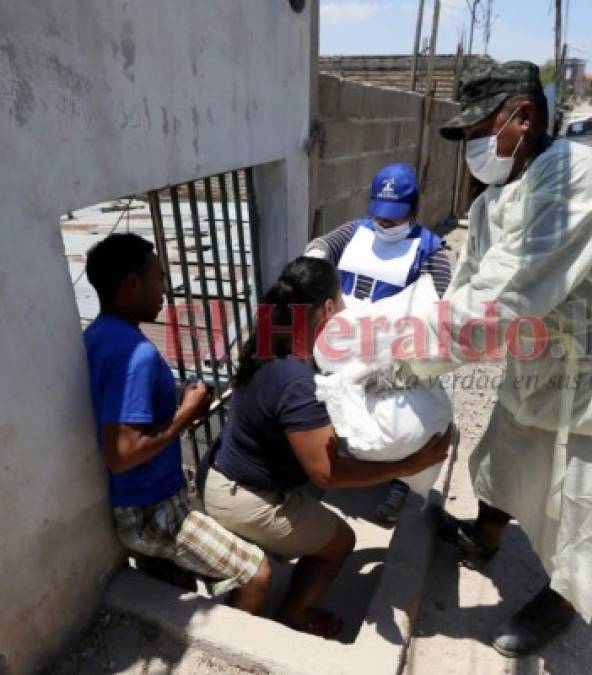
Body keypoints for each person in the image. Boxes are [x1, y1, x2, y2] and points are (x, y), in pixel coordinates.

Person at [367, 61, 592, 656]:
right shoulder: (501, 195)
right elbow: (471, 282)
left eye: (478, 129)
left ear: (524, 116)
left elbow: (508, 294)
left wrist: (411, 360)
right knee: (510, 445)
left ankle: (564, 598)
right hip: (541, 346)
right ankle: (486, 534)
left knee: (582, 484)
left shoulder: (577, 179)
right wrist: (414, 328)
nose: (471, 145)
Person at [202, 256, 451, 638]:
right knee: (341, 542)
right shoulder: (295, 380)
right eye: (343, 308)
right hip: (244, 497)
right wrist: (406, 465)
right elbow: (327, 473)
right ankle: (293, 613)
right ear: (328, 309)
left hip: (230, 477)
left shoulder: (274, 344)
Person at [83, 233, 271, 615]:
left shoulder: (98, 334)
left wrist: (180, 407)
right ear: (132, 284)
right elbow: (122, 454)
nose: (165, 292)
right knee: (258, 573)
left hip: (144, 503)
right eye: (159, 279)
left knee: (176, 589)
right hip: (151, 512)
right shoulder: (133, 354)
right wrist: (187, 411)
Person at [305, 163, 453, 524]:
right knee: (335, 405)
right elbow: (322, 245)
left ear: (414, 208)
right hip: (342, 345)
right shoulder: (354, 232)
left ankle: (400, 479)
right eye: (380, 216)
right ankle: (335, 465)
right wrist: (316, 258)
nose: (385, 225)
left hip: (390, 353)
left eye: (394, 218)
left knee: (395, 418)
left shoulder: (429, 248)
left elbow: (445, 300)